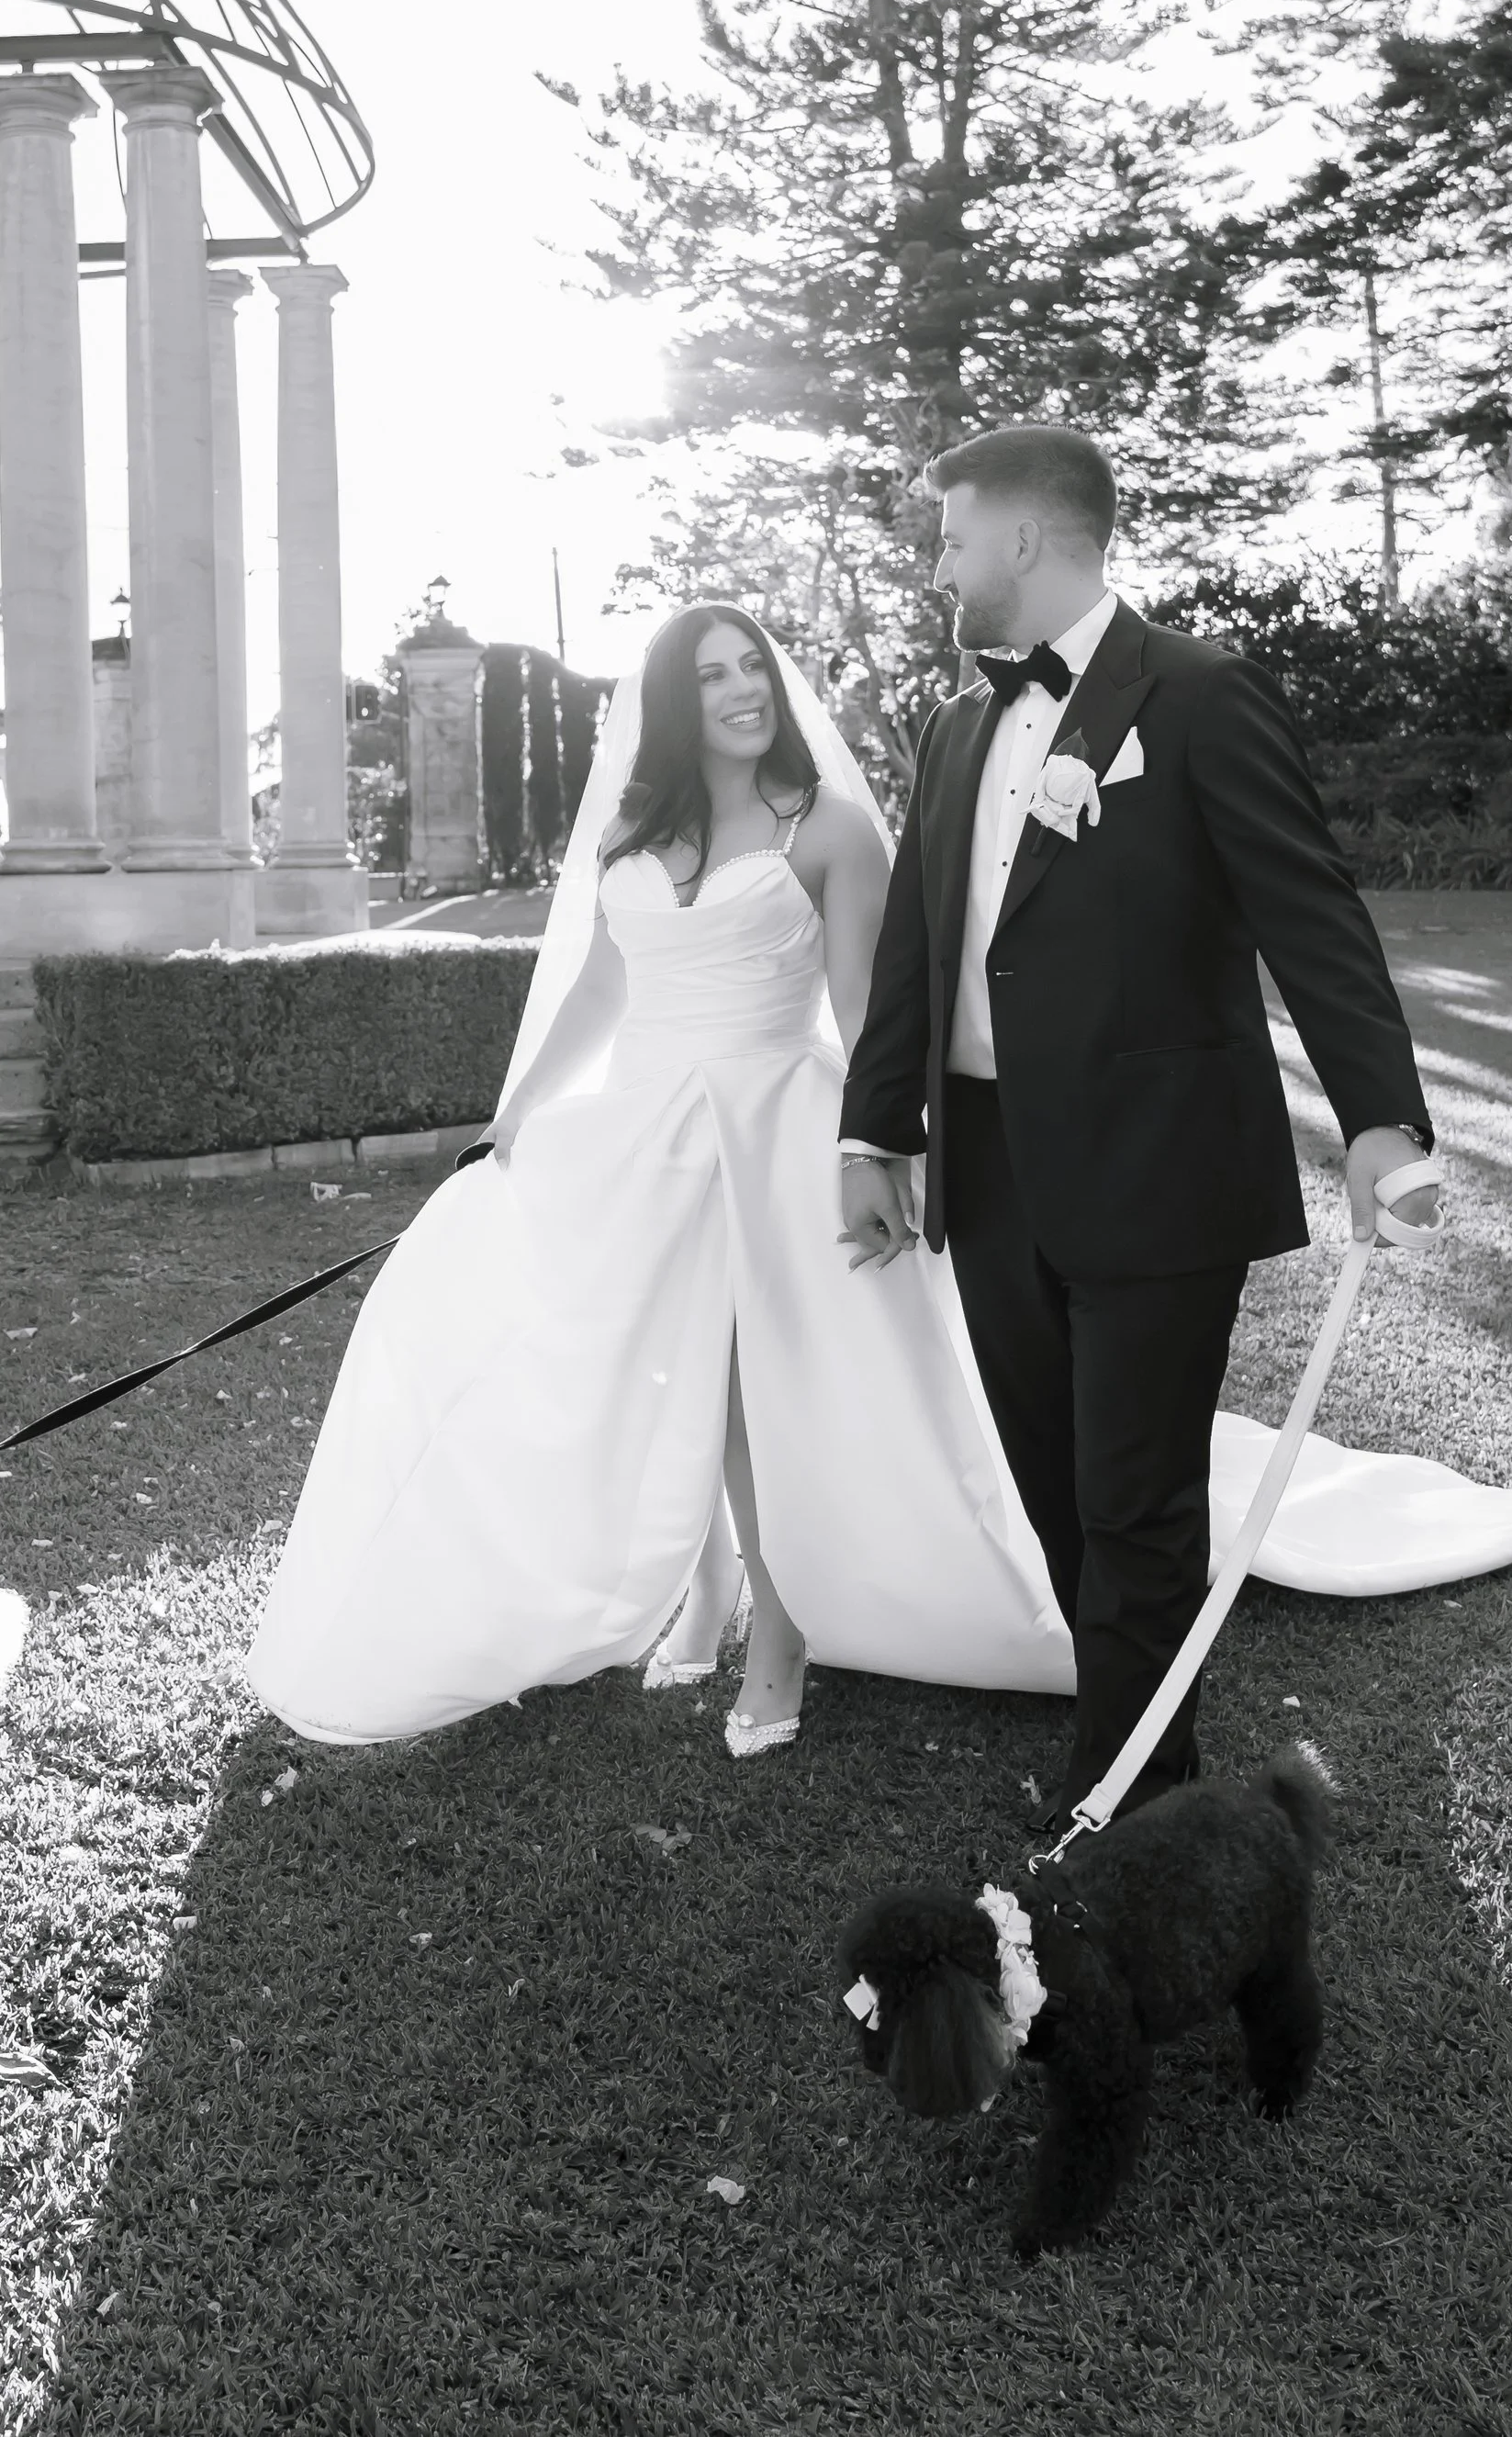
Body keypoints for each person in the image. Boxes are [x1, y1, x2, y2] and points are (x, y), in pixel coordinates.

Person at [835, 423, 1512, 1827]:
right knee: (1055, 1481)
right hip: (992, 1172)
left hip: (1155, 1167)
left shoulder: (1197, 693)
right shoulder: (954, 728)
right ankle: (1134, 1730)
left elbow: (1308, 915)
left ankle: (1121, 1802)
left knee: (1136, 1497)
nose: (940, 564)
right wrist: (875, 1132)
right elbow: (916, 947)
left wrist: (1382, 1119)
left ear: (1026, 536)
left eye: (953, 536)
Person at [244, 602, 1076, 1754]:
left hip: (771, 1123)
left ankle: (783, 1633)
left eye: (752, 668)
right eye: (711, 676)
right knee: (654, 1364)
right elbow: (599, 985)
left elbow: (861, 1011)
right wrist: (518, 1112)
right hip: (642, 1128)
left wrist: (886, 1148)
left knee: (748, 1387)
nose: (741, 691)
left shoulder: (829, 827)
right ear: (672, 703)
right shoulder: (633, 824)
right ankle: (709, 1585)